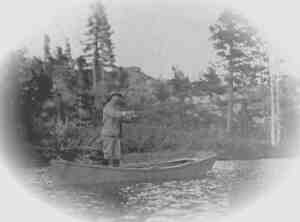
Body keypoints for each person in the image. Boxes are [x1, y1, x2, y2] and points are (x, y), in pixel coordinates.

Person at [101, 91, 136, 167]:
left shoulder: (116, 108)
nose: (118, 98)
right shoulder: (107, 107)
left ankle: (116, 172)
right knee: (107, 155)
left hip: (116, 136)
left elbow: (121, 119)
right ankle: (103, 172)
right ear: (112, 97)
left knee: (117, 156)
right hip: (108, 135)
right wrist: (127, 113)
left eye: (119, 97)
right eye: (116, 96)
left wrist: (131, 118)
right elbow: (115, 115)